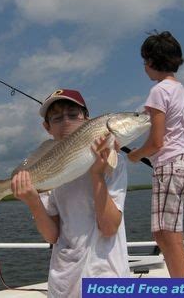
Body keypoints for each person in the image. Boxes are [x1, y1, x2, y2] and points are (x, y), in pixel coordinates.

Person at [11, 89, 130, 297]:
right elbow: (52, 235)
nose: (66, 122)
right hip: (64, 282)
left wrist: (97, 175)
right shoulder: (48, 169)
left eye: (73, 115)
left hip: (108, 277)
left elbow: (109, 227)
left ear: (87, 119)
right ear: (47, 127)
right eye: (57, 118)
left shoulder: (115, 161)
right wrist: (33, 201)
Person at [127, 31, 184, 277]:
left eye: (144, 61)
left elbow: (156, 142)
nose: (144, 67)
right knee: (164, 233)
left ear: (151, 61)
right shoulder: (178, 89)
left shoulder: (158, 92)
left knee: (167, 235)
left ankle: (183, 289)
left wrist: (135, 155)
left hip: (171, 166)